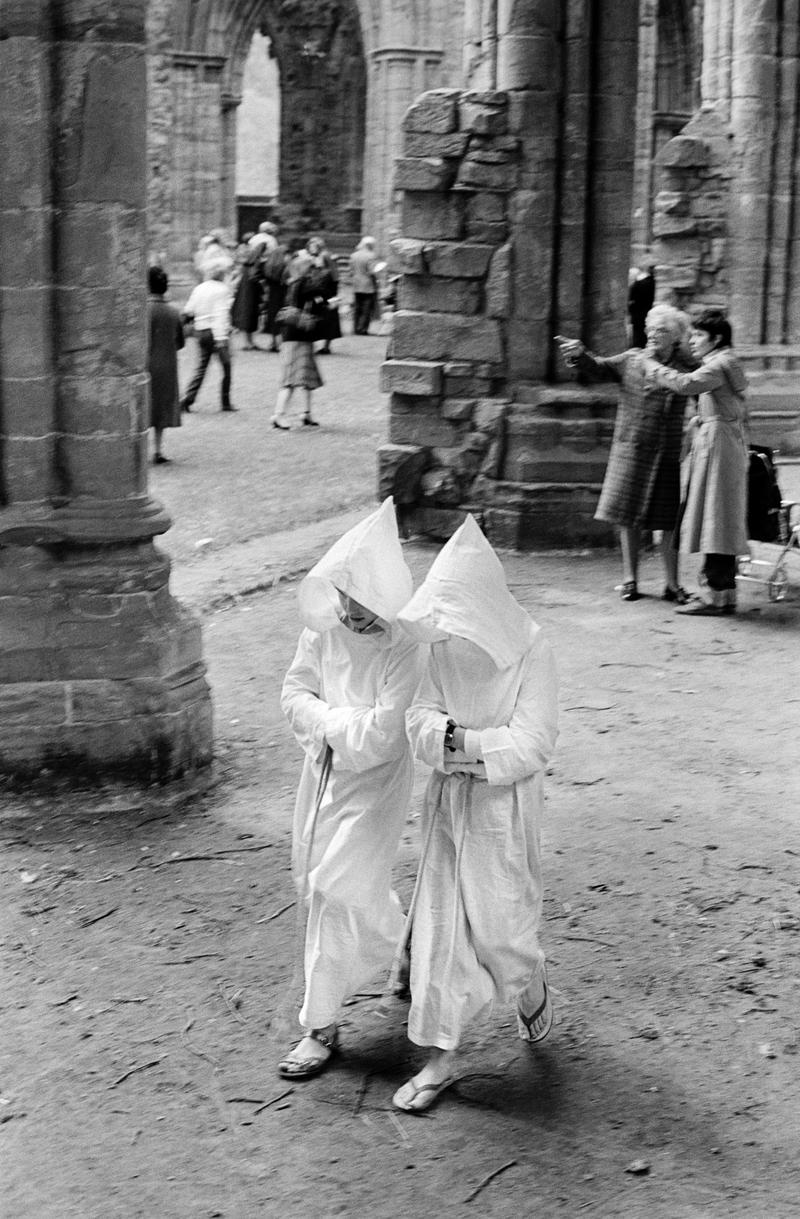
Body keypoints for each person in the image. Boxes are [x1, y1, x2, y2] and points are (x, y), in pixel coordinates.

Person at [391, 514, 559, 1114]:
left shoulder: (530, 645)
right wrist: (448, 739)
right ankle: (439, 1058)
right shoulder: (437, 646)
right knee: (440, 931)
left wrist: (469, 748)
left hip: (502, 808)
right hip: (447, 805)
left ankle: (528, 974)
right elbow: (419, 715)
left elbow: (535, 740)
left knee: (501, 930)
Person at [278, 497, 424, 1081]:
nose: (352, 616)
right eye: (346, 601)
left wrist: (326, 718)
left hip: (376, 783)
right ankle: (410, 936)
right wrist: (337, 725)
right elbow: (293, 694)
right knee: (319, 883)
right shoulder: (323, 629)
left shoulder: (405, 645)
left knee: (334, 886)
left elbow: (386, 736)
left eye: (366, 608)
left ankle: (319, 1027)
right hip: (322, 772)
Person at [557, 304, 695, 602]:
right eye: (651, 328)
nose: (654, 334)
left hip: (668, 452)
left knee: (668, 520)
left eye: (663, 330)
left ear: (677, 338)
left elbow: (709, 391)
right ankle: (630, 580)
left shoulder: (687, 366)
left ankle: (672, 584)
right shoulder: (633, 359)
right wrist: (579, 354)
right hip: (632, 447)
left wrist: (698, 428)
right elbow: (599, 368)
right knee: (627, 516)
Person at [641, 309, 749, 616]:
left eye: (699, 335)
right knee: (720, 517)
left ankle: (716, 595)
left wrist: (652, 366)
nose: (693, 340)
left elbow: (686, 384)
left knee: (716, 517)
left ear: (716, 338)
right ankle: (723, 593)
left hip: (718, 445)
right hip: (721, 441)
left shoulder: (719, 364)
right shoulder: (726, 361)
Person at [270, 250, 327, 430]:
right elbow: (320, 291)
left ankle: (306, 413)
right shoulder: (302, 284)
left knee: (307, 378)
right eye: (311, 268)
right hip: (297, 337)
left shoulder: (294, 283)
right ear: (304, 269)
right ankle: (278, 415)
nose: (314, 271)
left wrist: (322, 303)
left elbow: (318, 298)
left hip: (299, 336)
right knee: (291, 379)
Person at [180, 265, 236, 413]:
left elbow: (189, 309)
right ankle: (225, 401)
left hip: (201, 330)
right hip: (216, 332)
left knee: (201, 367)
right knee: (227, 366)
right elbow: (220, 314)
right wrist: (220, 338)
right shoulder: (222, 290)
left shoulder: (200, 288)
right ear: (222, 276)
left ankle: (188, 398)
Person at [147, 266, 184, 465]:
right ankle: (158, 449)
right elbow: (180, 342)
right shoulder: (173, 312)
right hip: (167, 365)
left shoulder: (142, 311)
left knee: (144, 404)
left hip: (145, 362)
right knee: (161, 408)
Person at [305, 236, 341, 354]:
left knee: (328, 318)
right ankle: (315, 344)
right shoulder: (313, 258)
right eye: (310, 246)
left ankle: (326, 346)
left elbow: (333, 275)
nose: (311, 248)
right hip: (319, 291)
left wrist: (333, 295)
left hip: (327, 292)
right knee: (316, 316)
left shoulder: (325, 256)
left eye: (313, 246)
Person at [231, 234, 264, 350]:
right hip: (246, 288)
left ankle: (249, 341)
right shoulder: (248, 256)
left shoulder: (249, 257)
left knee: (249, 313)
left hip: (246, 286)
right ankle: (247, 341)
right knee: (247, 313)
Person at [259, 240, 289, 352]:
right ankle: (280, 343)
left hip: (272, 295)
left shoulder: (268, 265)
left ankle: (273, 343)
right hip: (283, 295)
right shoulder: (284, 266)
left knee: (273, 318)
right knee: (283, 318)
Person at [349, 236, 381, 336]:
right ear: (369, 245)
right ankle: (362, 329)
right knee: (366, 309)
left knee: (357, 307)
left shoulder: (353, 255)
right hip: (368, 285)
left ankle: (355, 328)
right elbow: (372, 271)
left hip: (356, 284)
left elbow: (351, 271)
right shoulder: (371, 256)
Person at [627, 260, 656, 347]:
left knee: (637, 337)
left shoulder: (637, 284)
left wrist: (631, 310)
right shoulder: (652, 282)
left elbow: (630, 300)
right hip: (648, 314)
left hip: (637, 316)